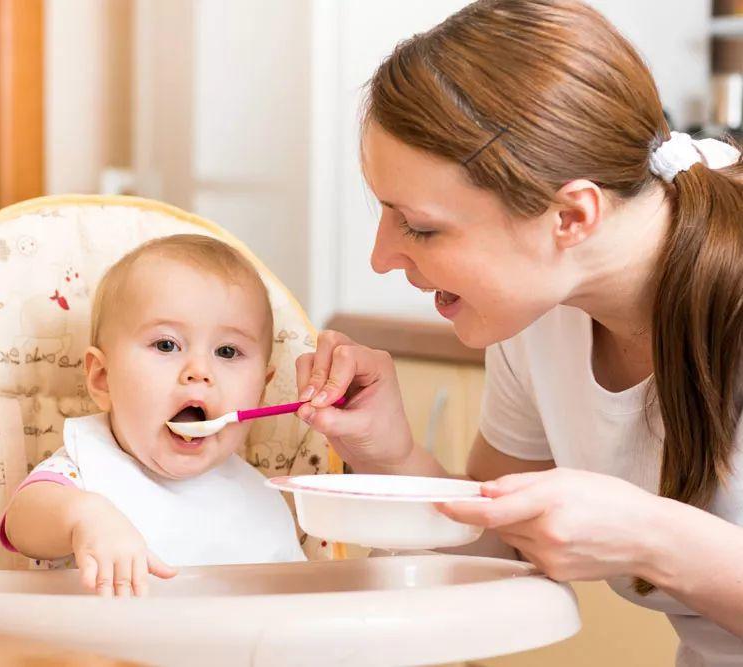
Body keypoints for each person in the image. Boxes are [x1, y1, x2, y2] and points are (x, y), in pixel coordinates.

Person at [295, 1, 743, 663]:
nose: (382, 257)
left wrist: (653, 537)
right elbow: (497, 542)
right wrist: (389, 453)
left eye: (421, 226)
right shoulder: (538, 309)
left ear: (572, 217)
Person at [0, 234, 305, 597]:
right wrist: (84, 517)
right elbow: (22, 521)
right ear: (102, 378)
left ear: (261, 394)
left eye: (227, 351)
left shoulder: (261, 501)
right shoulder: (82, 473)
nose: (199, 371)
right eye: (166, 345)